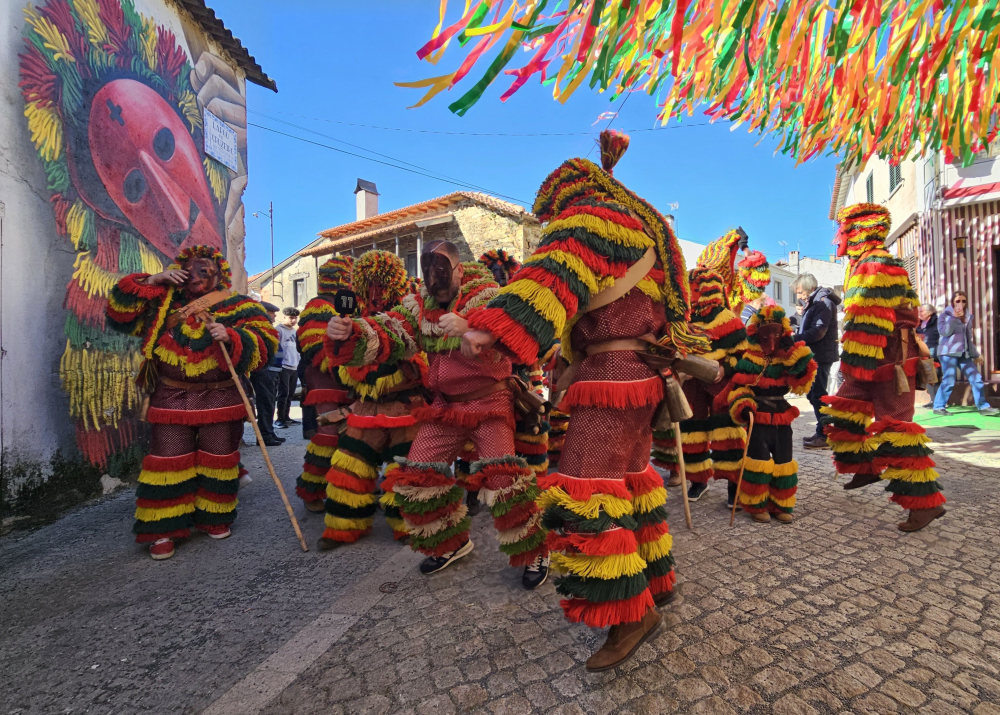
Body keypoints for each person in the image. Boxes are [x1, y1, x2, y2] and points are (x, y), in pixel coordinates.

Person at [461, 130, 704, 670]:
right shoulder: (643, 228)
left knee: (584, 489)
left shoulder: (592, 217)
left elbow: (552, 273)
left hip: (611, 377)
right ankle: (655, 584)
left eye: (552, 214)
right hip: (637, 376)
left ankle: (629, 616)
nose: (551, 223)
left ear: (567, 197)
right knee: (632, 482)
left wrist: (498, 330)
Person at [325, 241, 549, 589]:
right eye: (427, 272)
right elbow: (390, 330)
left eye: (441, 270)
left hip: (489, 405)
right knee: (417, 477)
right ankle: (451, 543)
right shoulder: (418, 306)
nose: (433, 278)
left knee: (504, 481)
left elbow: (520, 333)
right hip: (444, 408)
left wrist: (473, 328)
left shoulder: (487, 296)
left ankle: (535, 550)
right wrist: (351, 332)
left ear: (459, 270)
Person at [106, 245, 278, 560]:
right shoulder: (162, 301)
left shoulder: (239, 304)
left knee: (219, 458)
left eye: (205, 271)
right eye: (192, 271)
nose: (198, 278)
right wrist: (154, 279)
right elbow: (118, 312)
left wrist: (232, 336)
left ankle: (214, 517)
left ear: (219, 274)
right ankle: (163, 527)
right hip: (171, 395)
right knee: (168, 461)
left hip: (221, 395)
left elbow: (266, 342)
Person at [821, 203, 946, 532]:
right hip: (868, 359)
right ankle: (867, 465)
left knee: (896, 430)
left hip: (889, 360)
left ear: (859, 232)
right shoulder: (864, 264)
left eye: (844, 233)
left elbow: (876, 319)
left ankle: (925, 504)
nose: (838, 240)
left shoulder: (878, 262)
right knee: (844, 414)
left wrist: (857, 361)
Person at [317, 250, 425, 549]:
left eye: (382, 283)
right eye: (370, 283)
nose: (377, 290)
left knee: (404, 469)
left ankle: (408, 524)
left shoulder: (411, 313)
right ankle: (344, 526)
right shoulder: (353, 316)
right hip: (366, 405)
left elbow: (427, 356)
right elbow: (338, 362)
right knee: (349, 465)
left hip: (406, 405)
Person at [670, 230, 752, 507]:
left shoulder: (728, 320)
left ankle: (733, 485)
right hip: (691, 386)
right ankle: (698, 481)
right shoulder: (681, 322)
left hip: (721, 387)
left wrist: (724, 369)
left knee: (726, 433)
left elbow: (743, 357)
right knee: (692, 432)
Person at [726, 307, 816, 522]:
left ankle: (781, 503)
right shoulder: (750, 356)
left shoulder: (787, 355)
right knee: (758, 459)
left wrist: (795, 354)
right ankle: (756, 505)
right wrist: (744, 405)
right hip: (757, 413)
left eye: (776, 333)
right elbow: (738, 388)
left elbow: (802, 381)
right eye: (767, 333)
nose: (771, 339)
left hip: (781, 412)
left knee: (784, 459)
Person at [294, 256, 355, 511]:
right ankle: (312, 491)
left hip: (348, 382)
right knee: (328, 436)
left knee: (350, 438)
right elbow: (315, 350)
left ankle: (343, 487)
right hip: (326, 383)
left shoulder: (350, 307)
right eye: (350, 278)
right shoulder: (317, 306)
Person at [792, 273, 841, 449]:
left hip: (820, 355)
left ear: (808, 288)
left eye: (799, 292)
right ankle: (822, 431)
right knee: (814, 395)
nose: (798, 296)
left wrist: (794, 339)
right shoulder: (815, 301)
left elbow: (818, 332)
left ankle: (825, 434)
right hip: (815, 355)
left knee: (818, 395)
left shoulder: (823, 301)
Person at [933, 292, 999, 416]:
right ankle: (938, 406)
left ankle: (983, 407)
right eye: (958, 301)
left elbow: (968, 338)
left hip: (964, 353)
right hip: (948, 353)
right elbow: (944, 333)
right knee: (949, 380)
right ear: (953, 302)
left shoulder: (968, 316)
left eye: (963, 301)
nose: (961, 304)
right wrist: (953, 317)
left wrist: (976, 354)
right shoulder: (944, 316)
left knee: (976, 378)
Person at [250, 302, 284, 447]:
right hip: (265, 371)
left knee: (270, 404)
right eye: (272, 312)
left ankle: (269, 432)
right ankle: (264, 436)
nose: (275, 316)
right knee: (265, 404)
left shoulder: (266, 328)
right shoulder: (258, 328)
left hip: (273, 371)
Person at [274, 307, 301, 429]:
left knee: (290, 393)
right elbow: (277, 349)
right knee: (283, 393)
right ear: (284, 317)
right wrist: (278, 364)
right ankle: (279, 419)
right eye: (291, 318)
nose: (293, 320)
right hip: (284, 366)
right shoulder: (278, 330)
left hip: (294, 366)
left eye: (295, 318)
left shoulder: (295, 332)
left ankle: (286, 416)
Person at [916, 303, 940, 408]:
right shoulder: (919, 324)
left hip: (934, 353)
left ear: (930, 312)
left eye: (922, 311)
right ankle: (933, 400)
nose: (919, 313)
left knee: (936, 377)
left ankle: (938, 402)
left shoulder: (937, 322)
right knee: (928, 378)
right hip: (923, 354)